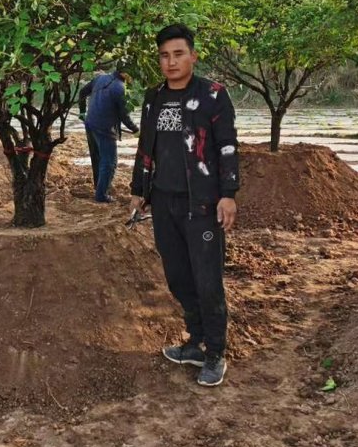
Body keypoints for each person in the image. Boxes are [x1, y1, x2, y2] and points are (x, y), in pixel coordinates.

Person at [130, 24, 239, 387]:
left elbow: (227, 146)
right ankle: (195, 342)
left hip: (202, 204)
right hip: (164, 202)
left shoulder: (212, 95)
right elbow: (147, 146)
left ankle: (216, 352)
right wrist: (139, 189)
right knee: (177, 277)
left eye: (178, 54)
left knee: (208, 281)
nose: (171, 62)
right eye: (164, 55)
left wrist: (228, 194)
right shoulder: (154, 97)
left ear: (192, 55)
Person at [78, 64, 139, 203]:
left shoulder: (101, 78)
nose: (132, 79)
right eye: (131, 76)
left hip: (90, 124)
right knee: (110, 162)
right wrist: (136, 130)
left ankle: (98, 187)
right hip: (104, 129)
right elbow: (124, 116)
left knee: (98, 158)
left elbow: (82, 92)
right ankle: (101, 195)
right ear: (124, 74)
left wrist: (82, 112)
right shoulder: (119, 88)